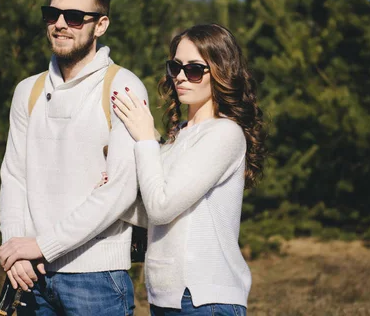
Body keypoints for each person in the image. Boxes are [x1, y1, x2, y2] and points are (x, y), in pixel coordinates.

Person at [0, 0, 148, 316]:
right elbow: (14, 176)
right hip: (31, 275)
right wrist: (14, 248)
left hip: (95, 279)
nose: (60, 24)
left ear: (101, 25)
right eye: (52, 15)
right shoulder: (27, 91)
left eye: (75, 17)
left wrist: (40, 246)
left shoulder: (121, 87)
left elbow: (120, 191)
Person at [111, 24, 266, 315]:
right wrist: (115, 193)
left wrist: (145, 139)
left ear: (221, 71)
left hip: (203, 297)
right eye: (175, 67)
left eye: (194, 69)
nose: (180, 77)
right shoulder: (178, 136)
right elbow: (156, 216)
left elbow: (161, 208)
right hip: (166, 297)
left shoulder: (224, 134)